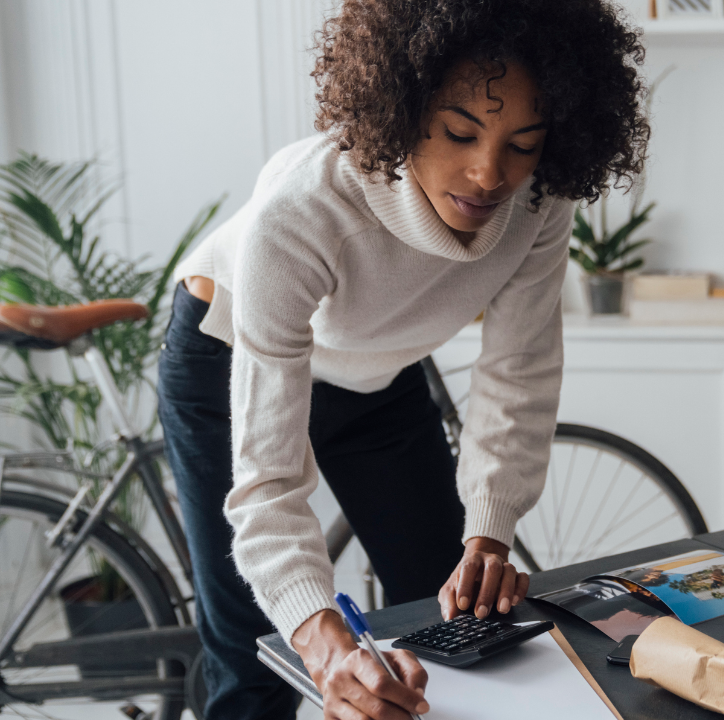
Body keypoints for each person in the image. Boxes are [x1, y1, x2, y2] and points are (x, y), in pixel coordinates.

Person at [156, 2, 648, 718]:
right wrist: (327, 651)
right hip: (225, 353)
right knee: (258, 646)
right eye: (459, 132)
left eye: (524, 142)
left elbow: (519, 370)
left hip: (377, 374)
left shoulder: (541, 199)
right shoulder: (299, 215)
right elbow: (268, 487)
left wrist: (488, 531)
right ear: (403, 106)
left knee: (454, 610)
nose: (488, 174)